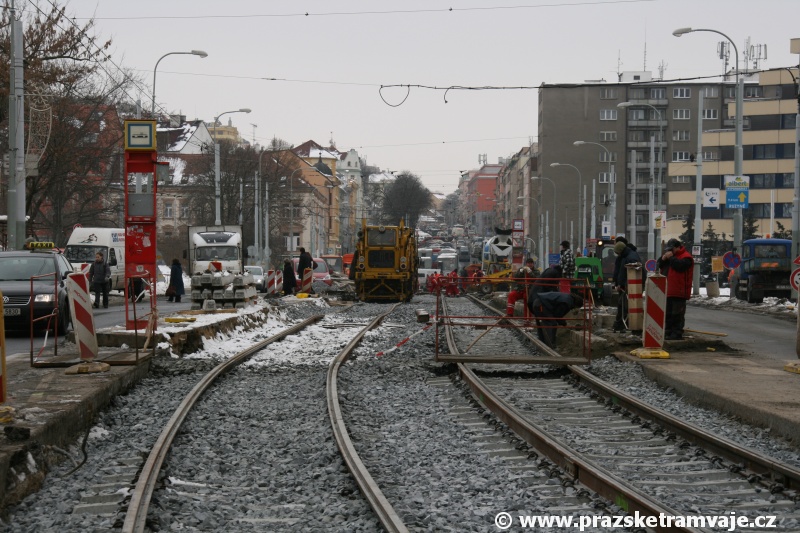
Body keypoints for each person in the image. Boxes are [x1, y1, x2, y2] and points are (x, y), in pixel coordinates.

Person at [657, 238, 694, 340]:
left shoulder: (686, 257)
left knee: (677, 314)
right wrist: (663, 259)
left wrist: (671, 258)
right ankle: (668, 332)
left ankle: (676, 333)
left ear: (678, 247)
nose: (670, 251)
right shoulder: (670, 257)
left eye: (671, 249)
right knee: (668, 314)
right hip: (667, 290)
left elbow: (679, 266)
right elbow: (659, 265)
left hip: (679, 291)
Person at [611, 241, 642, 332]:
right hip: (626, 285)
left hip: (629, 286)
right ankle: (621, 324)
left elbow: (630, 272)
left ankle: (623, 324)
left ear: (620, 250)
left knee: (624, 305)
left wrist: (623, 284)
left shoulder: (630, 257)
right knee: (622, 304)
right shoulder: (626, 256)